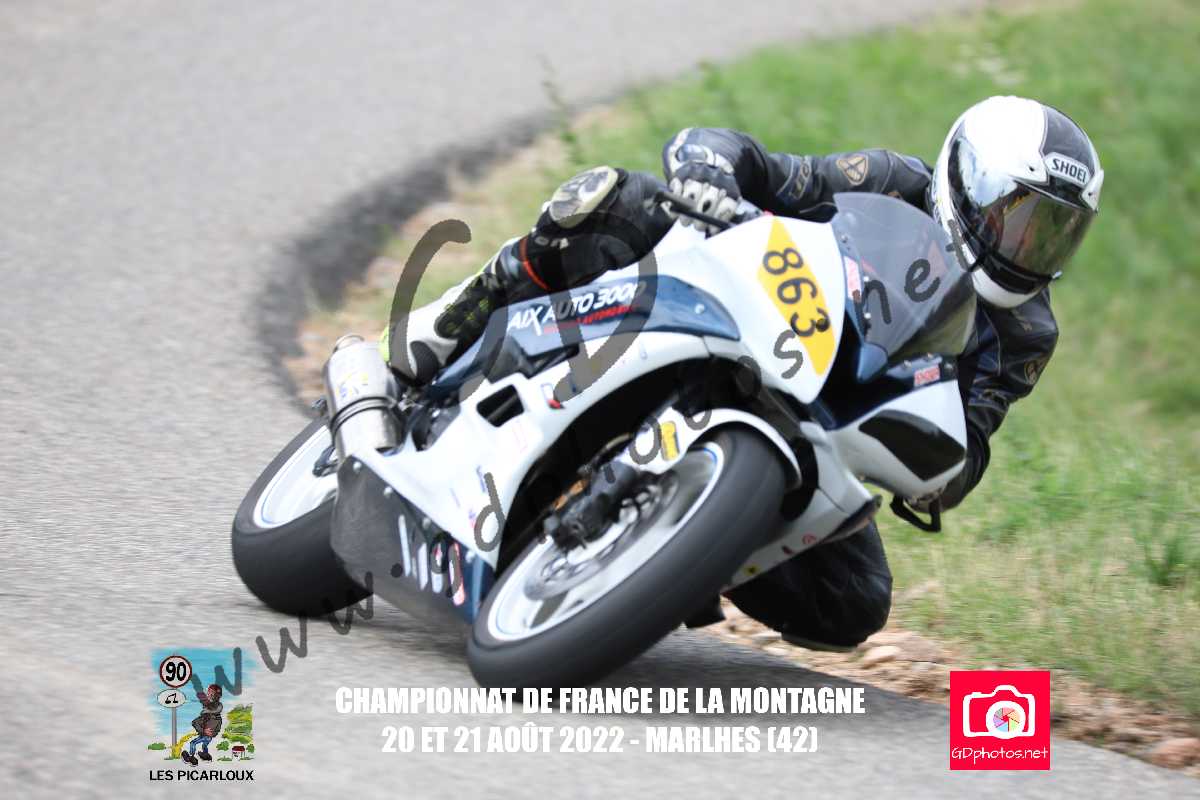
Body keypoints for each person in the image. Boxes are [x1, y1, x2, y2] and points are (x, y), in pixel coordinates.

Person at [388, 95, 1102, 650]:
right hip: (753, 316)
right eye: (1022, 217)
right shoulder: (891, 181)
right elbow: (768, 168)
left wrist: (938, 468)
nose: (1030, 246)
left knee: (854, 602)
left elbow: (969, 447)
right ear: (967, 180)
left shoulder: (1026, 334)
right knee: (619, 201)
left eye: (1055, 231)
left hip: (829, 424)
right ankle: (456, 315)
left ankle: (667, 560)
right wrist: (711, 173)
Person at [181, 684, 224, 765]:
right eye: (209, 693)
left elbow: (195, 723)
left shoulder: (207, 716)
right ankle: (205, 755)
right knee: (204, 745)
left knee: (193, 743)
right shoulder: (217, 717)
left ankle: (191, 757)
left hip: (205, 736)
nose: (209, 695)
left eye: (211, 693)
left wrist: (204, 731)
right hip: (209, 737)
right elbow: (217, 728)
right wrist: (212, 733)